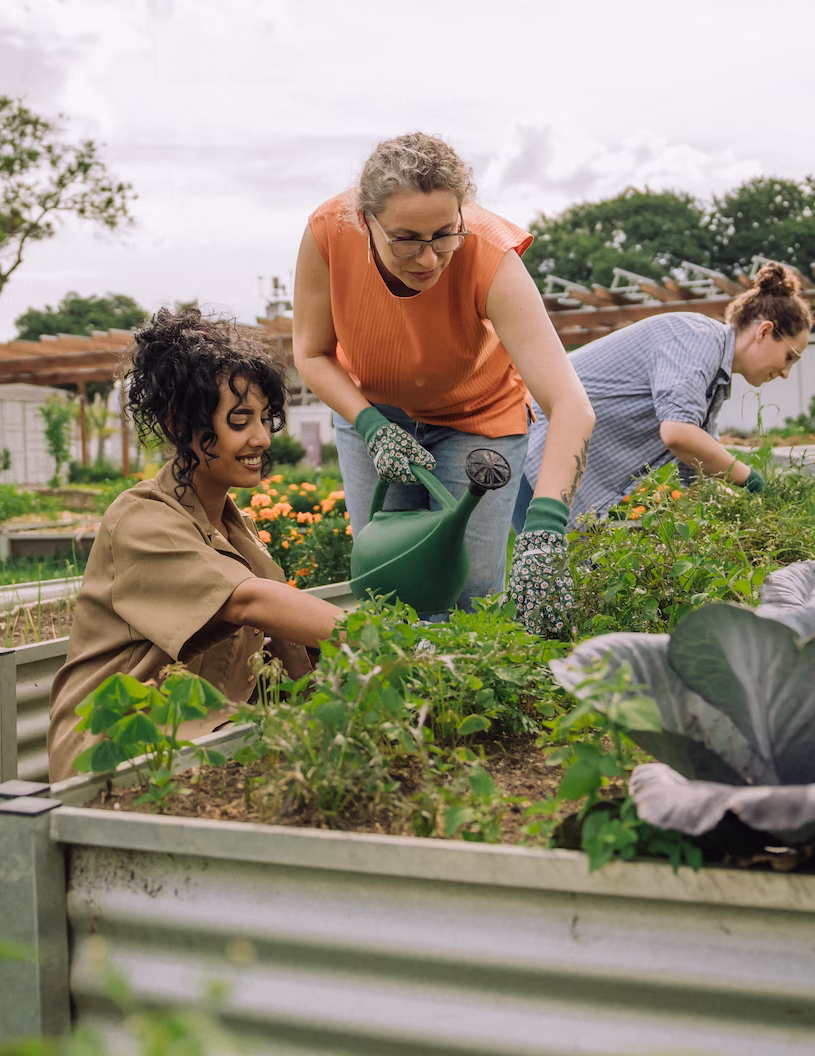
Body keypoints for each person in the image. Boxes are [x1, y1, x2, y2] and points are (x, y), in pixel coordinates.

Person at [293, 132, 595, 634]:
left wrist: (544, 530)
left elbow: (569, 404)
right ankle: (402, 706)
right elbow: (311, 353)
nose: (430, 258)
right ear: (366, 221)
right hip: (373, 411)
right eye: (406, 238)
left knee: (472, 595)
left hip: (476, 420)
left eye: (444, 234)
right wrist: (369, 425)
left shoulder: (491, 256)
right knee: (387, 579)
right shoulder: (328, 232)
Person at [46, 308, 342, 782]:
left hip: (200, 738)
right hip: (117, 756)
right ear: (182, 425)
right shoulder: (141, 519)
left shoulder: (229, 524)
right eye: (240, 420)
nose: (262, 438)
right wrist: (386, 641)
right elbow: (247, 602)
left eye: (265, 419)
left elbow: (290, 655)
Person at [520, 261, 813, 524]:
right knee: (542, 575)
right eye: (789, 357)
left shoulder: (715, 381)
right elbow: (679, 434)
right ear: (764, 331)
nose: (786, 373)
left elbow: (694, 465)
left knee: (560, 575)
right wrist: (754, 482)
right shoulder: (697, 338)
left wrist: (740, 515)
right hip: (537, 453)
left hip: (557, 472)